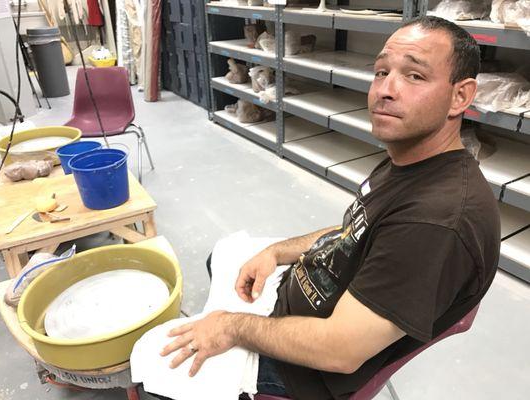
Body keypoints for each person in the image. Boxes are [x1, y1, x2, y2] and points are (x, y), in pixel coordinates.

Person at [160, 16, 500, 400]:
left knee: (157, 366)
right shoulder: (411, 159)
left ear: (460, 96)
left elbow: (339, 351)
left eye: (415, 76)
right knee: (222, 256)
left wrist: (232, 327)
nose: (385, 90)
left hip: (304, 372)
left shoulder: (438, 220)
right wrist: (276, 251)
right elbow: (355, 231)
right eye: (381, 71)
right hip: (303, 298)